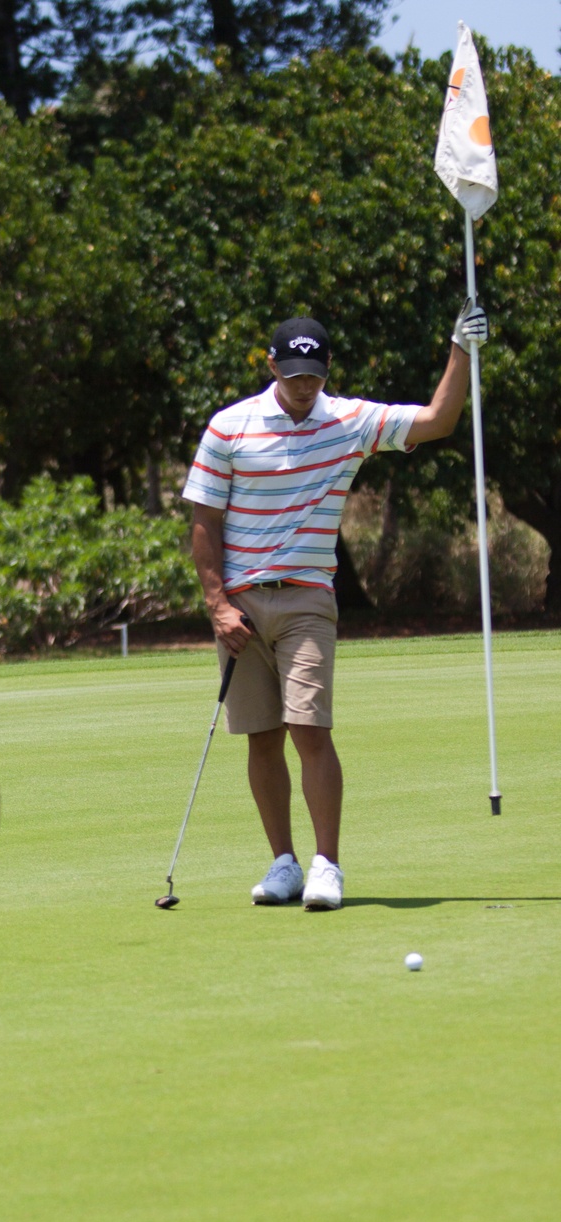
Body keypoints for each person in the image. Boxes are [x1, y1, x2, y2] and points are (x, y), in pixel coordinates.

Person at [184, 302, 488, 911]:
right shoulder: (229, 426)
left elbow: (437, 420)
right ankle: (284, 864)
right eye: (293, 376)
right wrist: (216, 605)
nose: (303, 388)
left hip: (307, 601)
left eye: (314, 378)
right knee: (261, 738)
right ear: (271, 366)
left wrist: (461, 348)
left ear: (327, 372)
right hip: (240, 606)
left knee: (309, 728)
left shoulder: (349, 421)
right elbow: (204, 520)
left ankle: (328, 865)